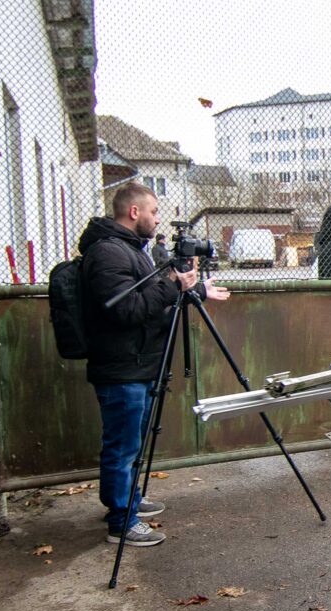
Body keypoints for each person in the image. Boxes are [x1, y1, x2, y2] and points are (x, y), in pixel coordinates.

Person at [80, 183, 230, 547]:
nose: (157, 219)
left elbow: (150, 299)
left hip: (138, 363)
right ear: (134, 212)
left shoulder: (130, 250)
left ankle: (126, 500)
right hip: (123, 368)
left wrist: (193, 290)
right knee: (123, 445)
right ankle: (121, 521)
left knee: (130, 442)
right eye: (154, 212)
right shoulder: (109, 254)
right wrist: (173, 286)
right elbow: (126, 310)